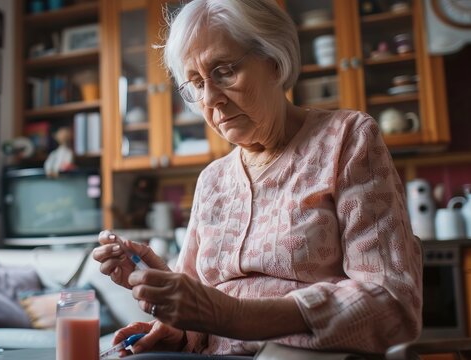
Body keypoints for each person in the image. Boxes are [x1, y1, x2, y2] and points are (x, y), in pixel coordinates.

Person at [92, 0, 422, 357]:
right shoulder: (212, 181)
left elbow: (392, 302)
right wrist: (172, 317)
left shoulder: (346, 139)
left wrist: (233, 315)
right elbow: (200, 315)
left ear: (275, 61)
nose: (212, 99)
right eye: (197, 83)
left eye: (223, 72)